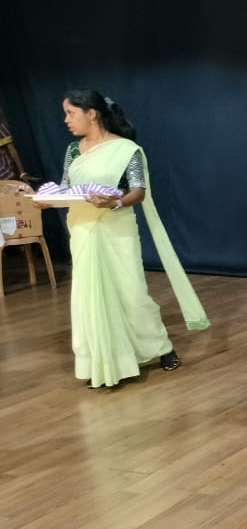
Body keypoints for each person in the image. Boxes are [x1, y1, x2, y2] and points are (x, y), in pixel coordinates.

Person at [55, 90, 208, 387]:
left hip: (117, 229)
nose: (66, 120)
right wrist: (42, 198)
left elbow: (138, 192)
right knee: (89, 297)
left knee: (132, 293)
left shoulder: (126, 150)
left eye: (70, 113)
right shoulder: (73, 150)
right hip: (83, 229)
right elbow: (65, 187)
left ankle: (162, 348)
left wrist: (114, 203)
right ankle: (105, 363)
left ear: (91, 114)